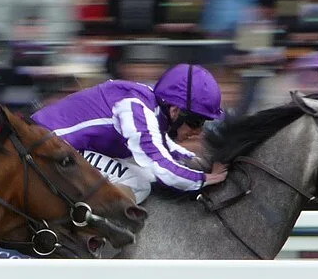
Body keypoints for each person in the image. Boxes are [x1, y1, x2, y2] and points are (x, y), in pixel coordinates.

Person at [31, 63, 229, 204]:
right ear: (175, 111)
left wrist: (196, 161)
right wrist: (203, 179)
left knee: (145, 173)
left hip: (61, 145)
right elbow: (161, 165)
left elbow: (164, 148)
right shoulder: (137, 107)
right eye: (196, 122)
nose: (198, 131)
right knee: (139, 183)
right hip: (48, 149)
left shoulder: (152, 106)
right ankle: (90, 242)